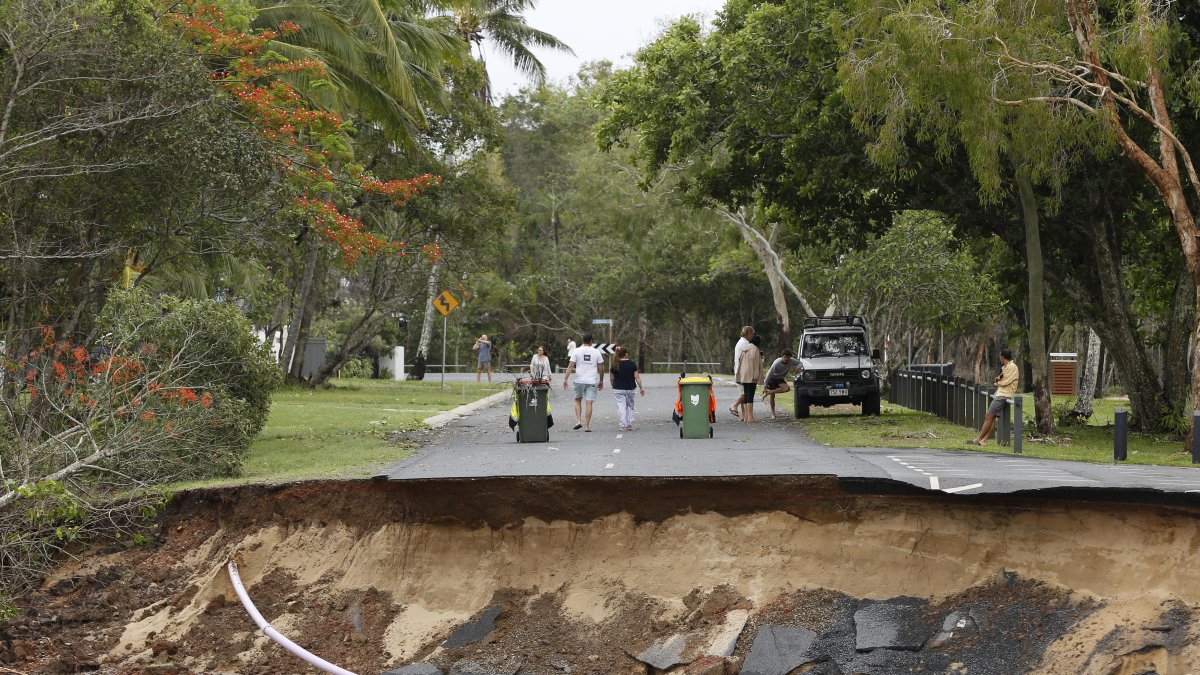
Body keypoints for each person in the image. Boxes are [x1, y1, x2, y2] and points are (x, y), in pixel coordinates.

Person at [969, 348, 1019, 446]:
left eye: (1000, 356)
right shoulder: (1006, 367)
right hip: (1001, 393)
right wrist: (997, 380)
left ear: (1002, 357)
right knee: (992, 418)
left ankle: (978, 439)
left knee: (989, 416)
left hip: (1003, 395)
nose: (999, 358)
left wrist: (997, 382)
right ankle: (984, 440)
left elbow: (1005, 381)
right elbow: (1000, 377)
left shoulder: (1012, 367)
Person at [563, 333, 605, 431]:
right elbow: (601, 368)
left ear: (583, 340)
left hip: (579, 380)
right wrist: (601, 380)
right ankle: (587, 426)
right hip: (591, 381)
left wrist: (565, 379)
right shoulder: (596, 352)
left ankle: (578, 421)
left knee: (578, 399)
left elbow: (570, 366)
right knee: (589, 402)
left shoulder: (576, 351)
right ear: (591, 341)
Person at [609, 346, 645, 431]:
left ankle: (623, 425)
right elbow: (637, 377)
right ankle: (629, 423)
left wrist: (613, 385)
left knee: (621, 406)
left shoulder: (614, 364)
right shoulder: (632, 364)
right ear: (625, 354)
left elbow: (611, 378)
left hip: (618, 388)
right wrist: (641, 387)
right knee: (630, 406)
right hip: (630, 389)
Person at [762, 349, 799, 419]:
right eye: (785, 357)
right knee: (772, 397)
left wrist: (798, 368)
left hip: (780, 378)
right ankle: (773, 414)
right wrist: (765, 386)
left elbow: (800, 363)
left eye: (788, 357)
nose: (786, 359)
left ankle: (768, 393)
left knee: (787, 388)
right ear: (782, 356)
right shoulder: (777, 363)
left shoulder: (791, 360)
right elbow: (769, 374)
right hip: (772, 378)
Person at [735, 334, 763, 423]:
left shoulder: (745, 349)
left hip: (744, 375)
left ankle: (746, 416)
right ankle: (750, 417)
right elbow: (756, 364)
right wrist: (756, 376)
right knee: (750, 395)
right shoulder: (755, 349)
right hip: (751, 375)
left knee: (746, 394)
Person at [729, 326, 754, 417]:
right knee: (746, 392)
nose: (752, 336)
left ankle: (744, 416)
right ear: (748, 333)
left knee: (743, 392)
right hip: (742, 371)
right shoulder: (745, 343)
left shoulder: (741, 342)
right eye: (752, 334)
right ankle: (734, 405)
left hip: (739, 370)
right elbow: (749, 358)